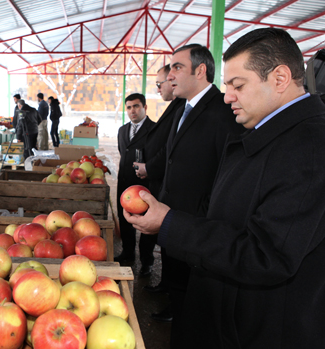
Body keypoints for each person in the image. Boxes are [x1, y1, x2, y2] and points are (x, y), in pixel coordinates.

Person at [124, 27, 325, 348]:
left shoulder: (309, 147)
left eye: (238, 85)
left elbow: (266, 255)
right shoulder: (266, 129)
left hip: (256, 328)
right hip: (222, 306)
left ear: (280, 78)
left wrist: (172, 224)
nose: (227, 95)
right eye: (228, 85)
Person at [150, 44, 244, 340]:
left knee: (196, 309)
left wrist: (201, 218)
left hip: (197, 226)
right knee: (179, 292)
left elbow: (225, 174)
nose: (170, 74)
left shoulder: (223, 111)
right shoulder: (183, 107)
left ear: (200, 70)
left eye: (177, 67)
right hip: (176, 219)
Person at [132, 64, 185, 301]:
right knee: (165, 243)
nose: (160, 88)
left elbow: (170, 149)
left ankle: (172, 291)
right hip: (159, 181)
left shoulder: (183, 108)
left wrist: (150, 167)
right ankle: (166, 283)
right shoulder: (176, 107)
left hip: (171, 186)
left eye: (160, 83)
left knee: (173, 245)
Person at [114, 93, 155, 276]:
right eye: (129, 107)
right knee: (125, 219)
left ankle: (146, 261)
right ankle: (128, 252)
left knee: (147, 225)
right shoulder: (122, 130)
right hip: (124, 182)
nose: (133, 111)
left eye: (137, 106)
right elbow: (123, 153)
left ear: (145, 107)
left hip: (144, 186)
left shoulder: (154, 129)